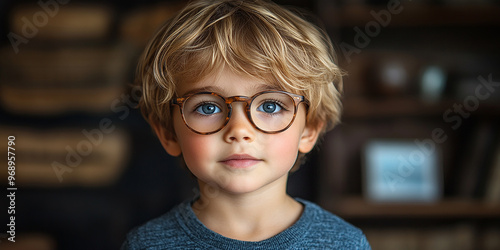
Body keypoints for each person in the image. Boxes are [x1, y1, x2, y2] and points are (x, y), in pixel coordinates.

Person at [122, 0, 370, 249]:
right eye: (208, 107)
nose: (239, 130)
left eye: (270, 106)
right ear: (168, 134)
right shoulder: (146, 245)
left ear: (310, 129)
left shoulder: (344, 243)